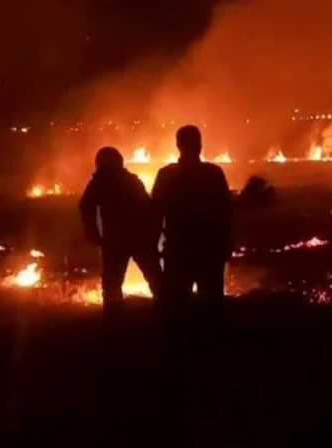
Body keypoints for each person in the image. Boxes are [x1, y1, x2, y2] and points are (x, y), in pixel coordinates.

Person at [151, 125, 234, 309]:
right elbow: (226, 211)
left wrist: (153, 248)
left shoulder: (166, 175)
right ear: (200, 145)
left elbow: (155, 213)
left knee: (178, 309)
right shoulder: (213, 173)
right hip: (209, 251)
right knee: (211, 306)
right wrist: (227, 244)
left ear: (178, 145)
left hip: (178, 251)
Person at [78, 146, 161, 317]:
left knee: (112, 284)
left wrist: (92, 233)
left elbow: (86, 206)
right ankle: (166, 313)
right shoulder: (130, 180)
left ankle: (113, 319)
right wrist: (152, 235)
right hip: (138, 238)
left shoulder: (100, 181)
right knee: (154, 279)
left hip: (116, 240)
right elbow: (148, 207)